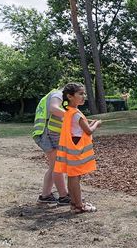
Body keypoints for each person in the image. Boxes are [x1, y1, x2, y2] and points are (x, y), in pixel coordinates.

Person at [54, 83, 101, 213]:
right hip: (76, 149)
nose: (83, 96)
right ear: (70, 96)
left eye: (84, 94)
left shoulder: (69, 111)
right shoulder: (76, 113)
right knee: (75, 177)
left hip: (71, 147)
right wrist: (96, 123)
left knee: (72, 176)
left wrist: (90, 123)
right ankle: (79, 205)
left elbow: (81, 127)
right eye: (80, 94)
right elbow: (89, 131)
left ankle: (74, 204)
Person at [32, 88, 70, 206]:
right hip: (47, 133)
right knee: (57, 166)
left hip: (42, 133)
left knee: (53, 165)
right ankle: (64, 196)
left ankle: (46, 196)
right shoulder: (58, 94)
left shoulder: (53, 94)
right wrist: (73, 116)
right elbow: (53, 109)